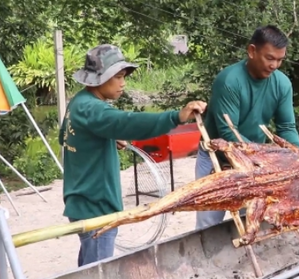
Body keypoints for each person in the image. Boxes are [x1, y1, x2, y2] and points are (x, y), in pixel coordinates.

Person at [59, 44, 207, 267]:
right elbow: (127, 122)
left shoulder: (79, 103)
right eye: (117, 77)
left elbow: (65, 137)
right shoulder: (93, 110)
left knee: (87, 267)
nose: (123, 83)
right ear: (100, 78)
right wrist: (176, 117)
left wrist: (107, 137)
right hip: (97, 208)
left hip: (81, 202)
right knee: (99, 271)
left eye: (124, 76)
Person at [194, 25, 299, 230]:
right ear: (252, 51)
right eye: (270, 58)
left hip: (253, 161)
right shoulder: (229, 81)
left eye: (280, 60)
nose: (275, 65)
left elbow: (287, 127)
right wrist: (266, 160)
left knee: (252, 221)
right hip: (216, 159)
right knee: (208, 225)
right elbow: (228, 133)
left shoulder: (282, 84)